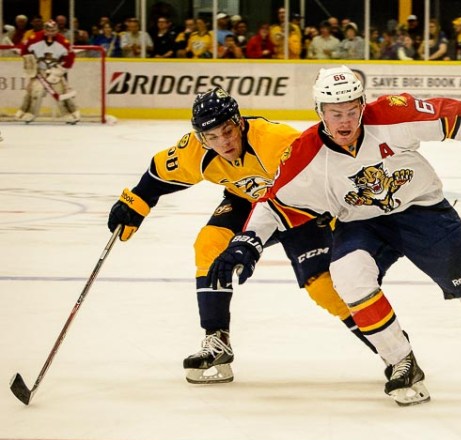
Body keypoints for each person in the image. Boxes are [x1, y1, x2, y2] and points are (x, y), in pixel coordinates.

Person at [207, 67, 461, 406]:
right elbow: (274, 203)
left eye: (351, 111)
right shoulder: (305, 153)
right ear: (319, 112)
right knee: (348, 275)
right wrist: (248, 241)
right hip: (361, 224)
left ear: (363, 105)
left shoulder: (391, 114)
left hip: (424, 214)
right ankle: (401, 361)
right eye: (334, 113)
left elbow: (454, 114)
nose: (344, 122)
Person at [106, 88, 374, 384]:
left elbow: (329, 174)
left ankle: (392, 350)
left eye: (228, 131)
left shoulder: (277, 141)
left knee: (323, 288)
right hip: (246, 201)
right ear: (201, 138)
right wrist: (136, 202)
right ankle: (217, 340)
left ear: (240, 123)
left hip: (298, 206)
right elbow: (158, 174)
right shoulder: (195, 151)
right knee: (209, 244)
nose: (224, 142)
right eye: (212, 137)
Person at [15, 20, 80, 124]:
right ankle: (28, 113)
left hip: (55, 71)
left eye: (53, 30)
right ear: (44, 30)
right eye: (48, 30)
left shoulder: (63, 41)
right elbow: (24, 51)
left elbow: (70, 58)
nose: (51, 33)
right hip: (39, 71)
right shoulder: (34, 38)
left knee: (61, 92)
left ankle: (71, 114)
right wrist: (30, 64)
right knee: (35, 92)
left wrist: (59, 70)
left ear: (57, 30)